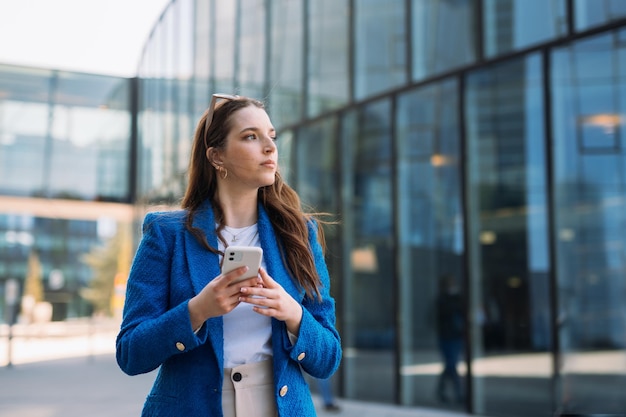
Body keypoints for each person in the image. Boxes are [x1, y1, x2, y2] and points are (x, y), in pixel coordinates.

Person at [116, 93, 342, 417]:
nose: (269, 147)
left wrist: (293, 313)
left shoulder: (298, 234)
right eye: (251, 136)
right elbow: (130, 353)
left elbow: (329, 358)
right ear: (216, 155)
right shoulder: (166, 234)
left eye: (271, 136)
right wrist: (198, 310)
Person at [435, 274, 464, 404]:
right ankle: (459, 393)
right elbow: (441, 314)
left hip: (456, 337)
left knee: (450, 365)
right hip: (446, 337)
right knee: (451, 365)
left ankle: (441, 390)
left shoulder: (458, 298)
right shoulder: (442, 300)